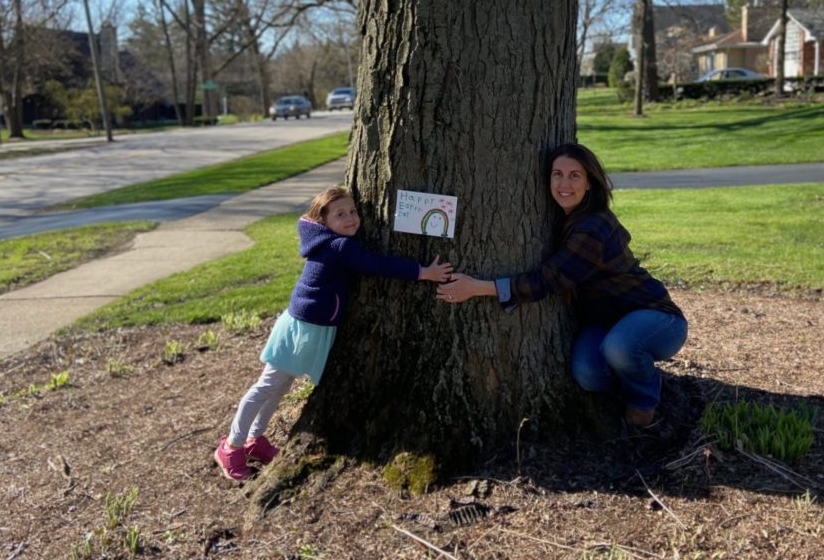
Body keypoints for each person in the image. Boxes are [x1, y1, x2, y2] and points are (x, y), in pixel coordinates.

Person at [436, 143, 686, 427]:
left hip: (656, 318)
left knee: (620, 347)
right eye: (557, 174)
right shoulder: (568, 220)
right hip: (605, 323)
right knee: (587, 374)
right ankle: (627, 382)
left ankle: (643, 403)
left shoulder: (593, 228)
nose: (564, 183)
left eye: (574, 176)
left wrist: (477, 287)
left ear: (590, 182)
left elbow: (547, 281)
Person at [215, 186, 453, 480]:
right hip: (301, 328)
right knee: (268, 385)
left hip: (311, 326)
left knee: (280, 386)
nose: (351, 218)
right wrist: (423, 272)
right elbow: (377, 264)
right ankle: (231, 446)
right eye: (340, 214)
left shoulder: (332, 242)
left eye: (353, 211)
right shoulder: (339, 247)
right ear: (323, 219)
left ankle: (255, 440)